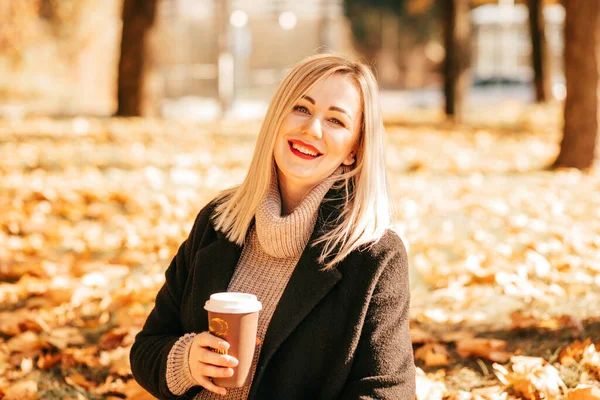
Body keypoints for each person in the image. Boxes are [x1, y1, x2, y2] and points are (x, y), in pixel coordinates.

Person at [130, 53, 416, 400]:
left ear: (355, 149)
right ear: (277, 117)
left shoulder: (375, 255)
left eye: (336, 121)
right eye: (301, 108)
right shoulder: (217, 221)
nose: (311, 129)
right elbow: (147, 348)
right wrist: (186, 361)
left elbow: (387, 391)